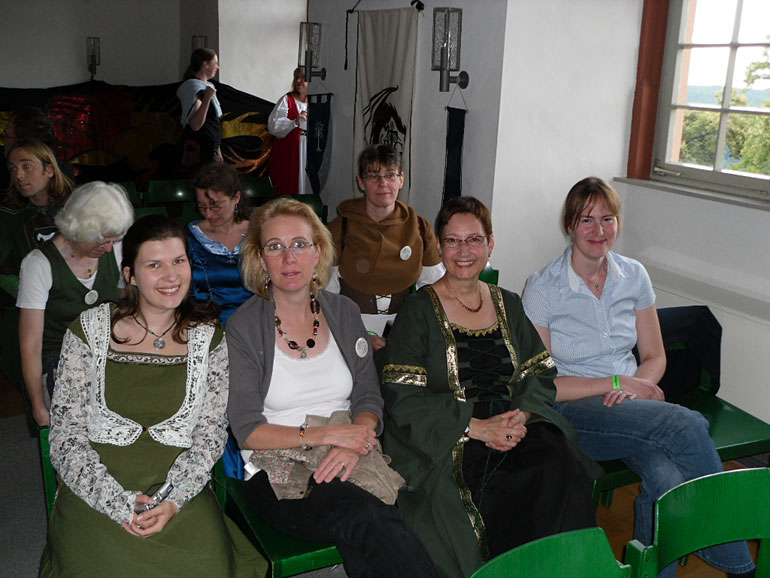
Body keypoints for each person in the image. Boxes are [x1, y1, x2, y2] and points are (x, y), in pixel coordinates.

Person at [521, 176, 756, 578]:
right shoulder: (543, 288)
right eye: (587, 220)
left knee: (666, 477)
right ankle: (739, 563)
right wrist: (616, 384)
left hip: (633, 407)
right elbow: (542, 386)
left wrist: (637, 388)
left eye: (607, 219)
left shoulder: (634, 275)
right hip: (574, 411)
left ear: (618, 222)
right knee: (686, 424)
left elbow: (654, 356)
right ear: (570, 224)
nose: (598, 230)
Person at [378, 196, 598, 578]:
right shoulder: (417, 311)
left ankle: (567, 570)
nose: (463, 251)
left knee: (560, 461)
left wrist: (522, 416)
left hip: (516, 422)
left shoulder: (508, 303)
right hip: (452, 435)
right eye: (453, 240)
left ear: (490, 244)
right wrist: (474, 427)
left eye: (474, 240)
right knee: (504, 484)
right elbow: (402, 397)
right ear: (440, 246)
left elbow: (539, 373)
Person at [40, 215, 265, 577]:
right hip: (96, 487)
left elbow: (210, 435)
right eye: (154, 265)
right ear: (130, 275)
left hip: (179, 486)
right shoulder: (88, 331)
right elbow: (66, 437)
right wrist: (117, 503)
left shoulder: (209, 338)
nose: (171, 276)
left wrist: (173, 500)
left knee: (205, 569)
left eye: (178, 261)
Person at [226, 197, 439, 578]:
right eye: (275, 246)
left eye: (300, 244)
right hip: (281, 473)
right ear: (260, 259)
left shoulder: (344, 312)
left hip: (350, 453)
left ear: (319, 252)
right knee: (365, 514)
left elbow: (368, 397)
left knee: (379, 525)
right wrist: (329, 435)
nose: (289, 258)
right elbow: (248, 431)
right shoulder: (243, 328)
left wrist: (353, 441)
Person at [17, 181, 133, 427]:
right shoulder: (38, 264)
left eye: (113, 240)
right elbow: (31, 345)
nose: (108, 248)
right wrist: (39, 406)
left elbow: (130, 308)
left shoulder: (114, 248)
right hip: (60, 359)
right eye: (101, 241)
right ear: (78, 229)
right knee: (78, 423)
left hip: (109, 352)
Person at [327, 145, 444, 350]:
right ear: (361, 182)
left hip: (405, 329)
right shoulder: (339, 229)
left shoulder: (419, 228)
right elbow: (326, 295)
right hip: (350, 328)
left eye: (390, 175)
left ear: (401, 180)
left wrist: (415, 330)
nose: (383, 184)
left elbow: (434, 288)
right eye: (373, 176)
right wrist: (354, 333)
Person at [188, 162, 253, 325]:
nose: (209, 213)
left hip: (254, 325)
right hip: (205, 326)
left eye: (216, 206)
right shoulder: (189, 238)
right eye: (202, 206)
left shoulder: (260, 235)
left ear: (236, 198)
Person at [177, 48, 223, 170]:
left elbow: (213, 122)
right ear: (205, 64)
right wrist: (207, 98)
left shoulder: (207, 87)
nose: (218, 67)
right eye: (215, 63)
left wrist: (218, 150)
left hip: (211, 149)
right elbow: (195, 125)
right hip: (200, 151)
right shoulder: (194, 88)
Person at [268, 67, 309, 196]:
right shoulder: (287, 100)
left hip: (307, 152)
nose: (298, 81)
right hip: (288, 153)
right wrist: (294, 122)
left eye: (303, 78)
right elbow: (273, 126)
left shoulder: (315, 102)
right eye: (296, 77)